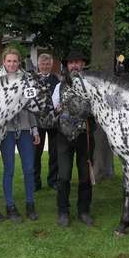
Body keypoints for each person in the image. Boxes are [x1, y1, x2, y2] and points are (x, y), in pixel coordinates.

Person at [0, 48, 40, 221]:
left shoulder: (27, 79)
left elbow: (32, 105)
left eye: (15, 61)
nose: (12, 64)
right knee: (9, 169)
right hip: (6, 131)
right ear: (4, 62)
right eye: (9, 61)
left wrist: (35, 128)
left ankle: (30, 204)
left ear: (19, 62)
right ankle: (10, 206)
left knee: (29, 168)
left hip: (26, 128)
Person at [53, 49, 94, 227]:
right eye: (71, 63)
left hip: (85, 136)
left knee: (85, 176)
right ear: (67, 66)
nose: (74, 65)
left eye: (77, 62)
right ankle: (63, 211)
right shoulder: (59, 86)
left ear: (83, 64)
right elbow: (54, 108)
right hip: (63, 136)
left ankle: (84, 211)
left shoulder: (91, 84)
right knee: (64, 175)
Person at [34, 53, 60, 192]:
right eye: (43, 64)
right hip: (38, 122)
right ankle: (35, 182)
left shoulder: (56, 79)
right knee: (35, 154)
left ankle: (53, 180)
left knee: (54, 153)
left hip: (54, 122)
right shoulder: (33, 80)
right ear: (39, 65)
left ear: (51, 65)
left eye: (47, 64)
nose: (45, 66)